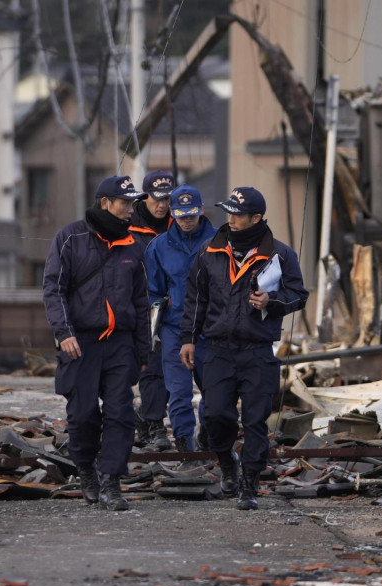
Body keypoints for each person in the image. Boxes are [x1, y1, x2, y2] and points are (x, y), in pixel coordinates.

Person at [180, 187, 308, 510]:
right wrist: (188, 338)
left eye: (238, 215)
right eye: (229, 213)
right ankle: (227, 464)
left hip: (258, 350)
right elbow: (196, 298)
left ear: (256, 218)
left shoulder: (281, 254)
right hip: (219, 349)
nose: (231, 220)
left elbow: (298, 294)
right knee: (215, 414)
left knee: (255, 420)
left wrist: (272, 300)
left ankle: (249, 485)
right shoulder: (210, 251)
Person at [42, 176, 149, 512]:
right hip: (80, 343)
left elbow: (141, 302)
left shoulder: (133, 245)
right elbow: (53, 290)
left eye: (133, 204)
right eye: (126, 203)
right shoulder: (69, 238)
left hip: (120, 345)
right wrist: (64, 333)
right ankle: (86, 469)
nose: (131, 210)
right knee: (83, 415)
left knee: (121, 414)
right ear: (106, 203)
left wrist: (143, 351)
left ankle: (112, 482)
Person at [144, 185, 217, 455]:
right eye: (181, 215)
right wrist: (157, 319)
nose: (187, 221)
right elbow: (152, 290)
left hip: (211, 330)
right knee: (179, 393)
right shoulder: (158, 247)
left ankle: (207, 438)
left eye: (192, 215)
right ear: (173, 214)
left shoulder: (220, 242)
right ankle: (185, 448)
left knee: (215, 392)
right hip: (174, 329)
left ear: (201, 212)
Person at [130, 170, 176, 451]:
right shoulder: (127, 227)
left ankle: (145, 417)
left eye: (167, 199)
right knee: (152, 368)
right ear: (144, 196)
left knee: (174, 371)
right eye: (157, 199)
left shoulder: (180, 224)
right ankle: (156, 425)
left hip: (174, 307)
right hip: (139, 308)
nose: (162, 205)